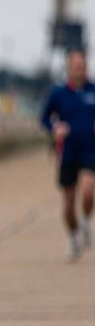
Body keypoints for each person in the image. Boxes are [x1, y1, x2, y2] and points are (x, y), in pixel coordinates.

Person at [40, 48, 95, 261]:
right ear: (69, 68)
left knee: (89, 191)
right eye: (75, 66)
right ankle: (73, 236)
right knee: (68, 205)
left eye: (82, 66)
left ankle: (85, 221)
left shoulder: (93, 90)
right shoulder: (58, 93)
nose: (79, 69)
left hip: (91, 151)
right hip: (68, 153)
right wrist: (55, 128)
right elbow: (44, 118)